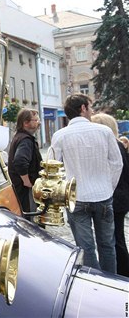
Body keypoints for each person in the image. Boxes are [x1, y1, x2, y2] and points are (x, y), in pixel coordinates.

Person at [50, 94, 122, 273]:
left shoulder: (60, 135)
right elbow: (117, 163)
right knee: (107, 245)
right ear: (82, 108)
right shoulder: (104, 132)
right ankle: (110, 282)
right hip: (103, 196)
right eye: (90, 107)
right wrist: (108, 186)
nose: (92, 111)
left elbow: (52, 167)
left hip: (76, 198)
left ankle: (95, 285)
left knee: (86, 248)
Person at [91, 113, 129, 276]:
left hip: (117, 197)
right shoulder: (116, 144)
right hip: (120, 195)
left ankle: (123, 272)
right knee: (115, 238)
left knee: (115, 239)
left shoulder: (113, 145)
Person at [7, 109, 43, 218]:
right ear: (26, 123)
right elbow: (20, 161)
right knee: (32, 220)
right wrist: (27, 181)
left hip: (24, 188)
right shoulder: (25, 140)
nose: (39, 122)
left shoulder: (21, 137)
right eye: (35, 120)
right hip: (27, 190)